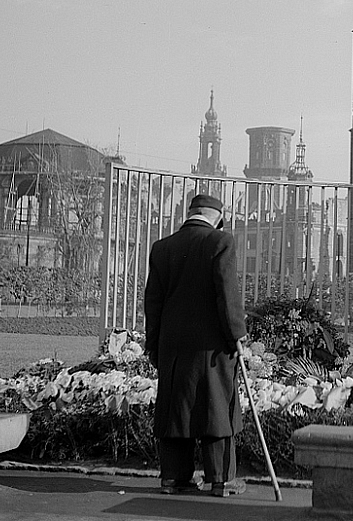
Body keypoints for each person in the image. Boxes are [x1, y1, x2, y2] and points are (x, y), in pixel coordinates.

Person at [144, 193, 247, 497]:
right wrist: (236, 335)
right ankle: (221, 480)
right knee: (217, 407)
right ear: (217, 216)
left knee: (177, 407)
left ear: (190, 214)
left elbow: (153, 302)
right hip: (212, 346)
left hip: (173, 344)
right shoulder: (220, 241)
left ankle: (174, 478)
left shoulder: (162, 248)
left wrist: (154, 346)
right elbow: (227, 296)